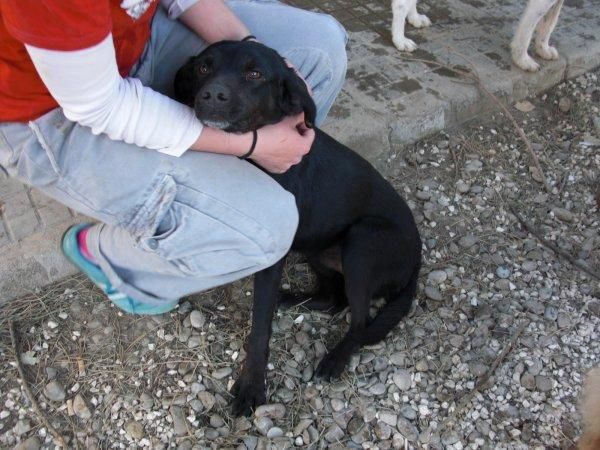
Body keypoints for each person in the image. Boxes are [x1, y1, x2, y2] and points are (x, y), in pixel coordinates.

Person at [0, 0, 347, 314]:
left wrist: (254, 49)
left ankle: (231, 198)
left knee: (320, 47)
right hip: (47, 108)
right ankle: (111, 258)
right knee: (270, 228)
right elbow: (101, 106)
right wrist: (254, 144)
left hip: (141, 36)